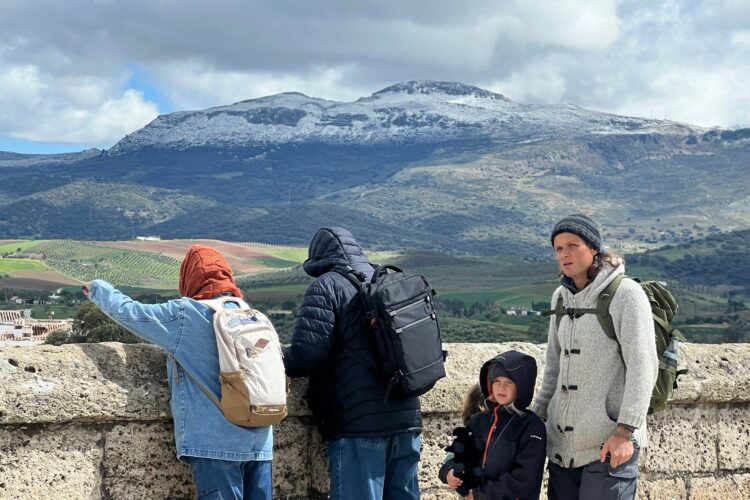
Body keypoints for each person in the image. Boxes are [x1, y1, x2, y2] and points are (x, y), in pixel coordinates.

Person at [84, 244, 273, 500]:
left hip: (215, 443)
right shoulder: (253, 316)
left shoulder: (188, 314)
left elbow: (132, 314)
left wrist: (98, 289)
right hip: (261, 440)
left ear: (189, 277)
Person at [283, 227, 422, 500]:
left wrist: (278, 361)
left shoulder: (327, 286)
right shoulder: (387, 280)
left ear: (319, 258)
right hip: (406, 417)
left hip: (359, 423)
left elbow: (307, 354)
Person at [531, 214, 658, 499]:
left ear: (593, 249)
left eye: (572, 245)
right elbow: (554, 363)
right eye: (558, 248)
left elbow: (643, 367)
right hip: (563, 448)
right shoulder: (560, 298)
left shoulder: (626, 294)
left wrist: (625, 432)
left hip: (609, 445)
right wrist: (537, 416)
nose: (564, 254)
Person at [439, 350, 547, 500]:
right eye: (496, 381)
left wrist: (480, 495)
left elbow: (525, 478)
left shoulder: (532, 426)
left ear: (522, 387)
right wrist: (449, 471)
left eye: (509, 382)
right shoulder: (477, 421)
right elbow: (460, 455)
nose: (501, 387)